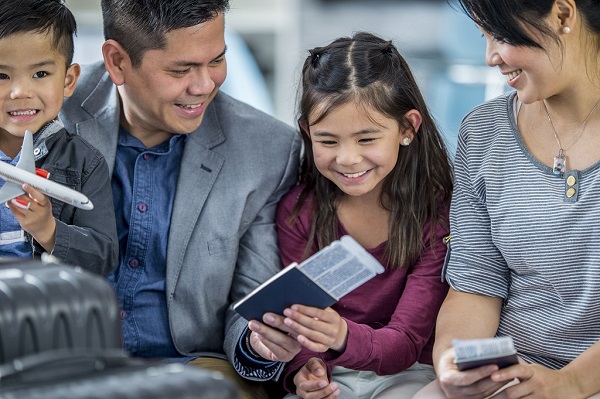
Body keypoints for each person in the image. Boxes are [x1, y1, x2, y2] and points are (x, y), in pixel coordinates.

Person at [59, 1, 302, 398]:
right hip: (64, 363)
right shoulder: (47, 113)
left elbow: (252, 300)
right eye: (182, 69)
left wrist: (259, 344)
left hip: (193, 368)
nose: (204, 84)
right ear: (117, 61)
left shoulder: (269, 152)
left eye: (217, 60)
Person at [413, 0, 600, 398]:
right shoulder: (483, 132)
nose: (489, 57)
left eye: (499, 35)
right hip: (514, 377)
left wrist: (570, 383)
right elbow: (475, 284)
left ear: (563, 15)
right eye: (483, 36)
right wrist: (453, 361)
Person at [252, 32, 453, 399]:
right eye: (327, 141)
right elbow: (301, 320)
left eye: (366, 139)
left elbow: (406, 342)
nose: (347, 159)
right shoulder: (299, 211)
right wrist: (306, 370)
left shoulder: (436, 216)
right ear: (307, 133)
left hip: (408, 374)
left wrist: (341, 334)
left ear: (407, 128)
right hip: (334, 374)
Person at [0, 0, 117, 275]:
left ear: (68, 81)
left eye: (40, 73)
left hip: (40, 306)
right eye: (1, 75)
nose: (20, 92)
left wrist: (48, 230)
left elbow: (105, 257)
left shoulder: (85, 163)